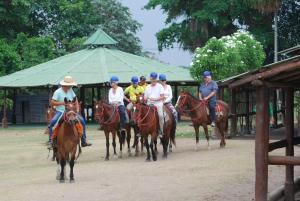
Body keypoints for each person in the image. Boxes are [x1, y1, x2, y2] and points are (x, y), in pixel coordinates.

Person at [48, 76, 92, 149]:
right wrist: (62, 103)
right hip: (61, 111)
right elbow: (52, 102)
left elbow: (76, 100)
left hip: (71, 111)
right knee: (53, 122)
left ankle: (83, 140)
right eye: (70, 85)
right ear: (65, 84)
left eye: (71, 85)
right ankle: (51, 141)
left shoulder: (70, 90)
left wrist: (77, 108)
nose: (71, 86)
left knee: (82, 121)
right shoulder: (57, 92)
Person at [144, 72, 165, 138]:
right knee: (141, 114)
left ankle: (161, 131)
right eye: (152, 79)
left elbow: (162, 97)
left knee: (161, 116)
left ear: (156, 79)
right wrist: (145, 99)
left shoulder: (160, 86)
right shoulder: (147, 87)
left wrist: (155, 99)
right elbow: (145, 97)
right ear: (150, 79)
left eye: (155, 79)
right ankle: (141, 130)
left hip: (158, 104)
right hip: (149, 104)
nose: (153, 80)